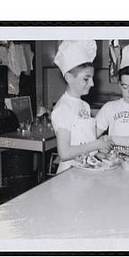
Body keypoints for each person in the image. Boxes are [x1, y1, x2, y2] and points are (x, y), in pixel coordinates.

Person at [51, 40, 113, 173]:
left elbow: (85, 143)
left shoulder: (84, 105)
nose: (92, 83)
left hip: (86, 169)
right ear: (69, 77)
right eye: (86, 78)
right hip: (69, 173)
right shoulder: (64, 108)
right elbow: (64, 153)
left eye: (92, 78)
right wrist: (96, 144)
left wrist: (100, 150)